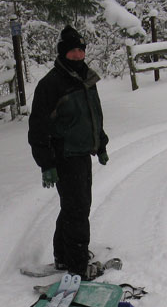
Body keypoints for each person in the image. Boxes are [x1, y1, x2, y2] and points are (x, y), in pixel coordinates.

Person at [28, 25, 109, 281]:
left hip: (82, 153)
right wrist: (46, 163)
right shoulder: (51, 84)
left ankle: (64, 257)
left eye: (81, 50)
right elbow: (38, 127)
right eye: (73, 51)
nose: (77, 55)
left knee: (74, 206)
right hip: (64, 156)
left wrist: (101, 144)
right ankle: (77, 267)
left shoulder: (86, 78)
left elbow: (93, 115)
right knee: (77, 210)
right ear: (63, 53)